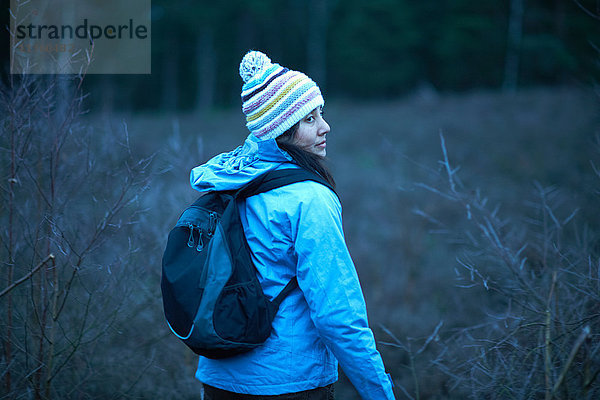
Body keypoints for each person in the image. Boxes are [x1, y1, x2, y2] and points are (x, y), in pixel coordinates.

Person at [189, 50, 395, 400]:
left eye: (321, 113)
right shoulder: (310, 199)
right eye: (309, 119)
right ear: (281, 130)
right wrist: (380, 392)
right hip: (289, 383)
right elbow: (338, 316)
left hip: (218, 377)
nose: (325, 126)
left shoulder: (228, 181)